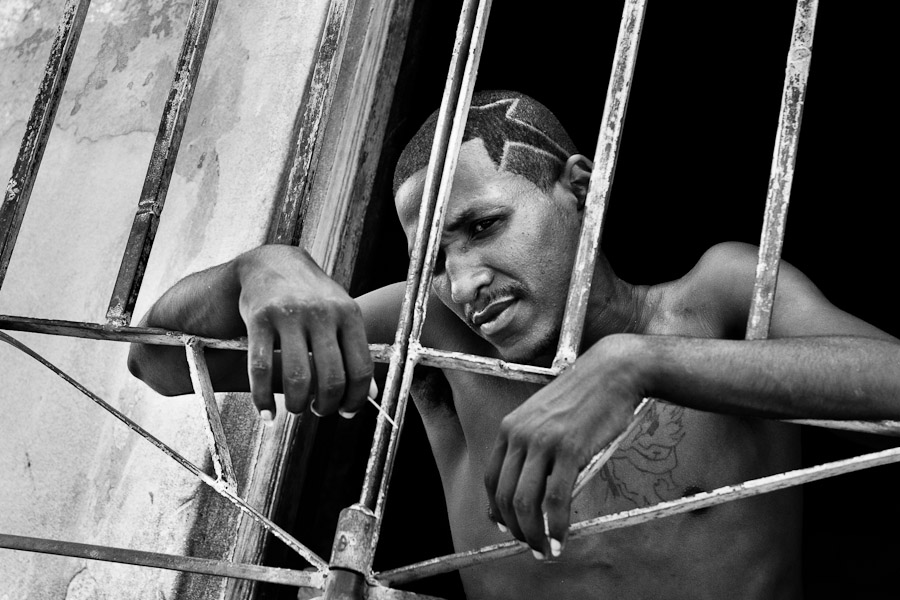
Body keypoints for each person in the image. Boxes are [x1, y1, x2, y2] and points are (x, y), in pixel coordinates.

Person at [128, 90, 900, 599]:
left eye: (483, 227)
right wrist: (260, 267)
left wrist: (636, 364)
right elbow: (159, 363)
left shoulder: (718, 298)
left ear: (581, 185)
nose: (463, 282)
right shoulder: (433, 328)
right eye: (434, 257)